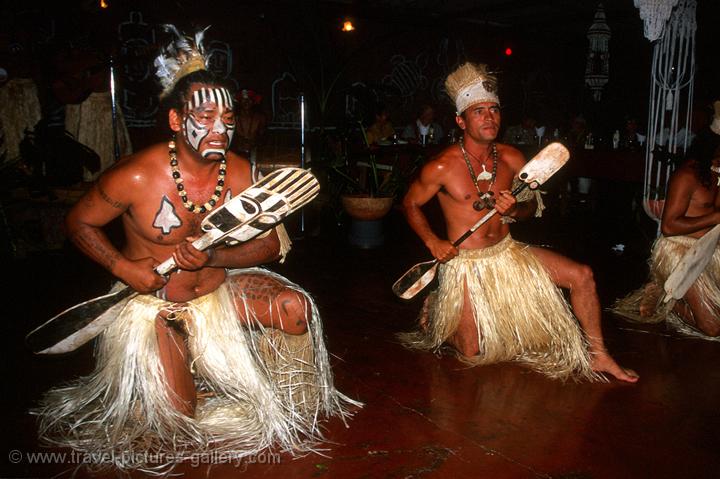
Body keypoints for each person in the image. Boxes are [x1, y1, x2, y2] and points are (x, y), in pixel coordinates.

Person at [34, 25, 356, 473]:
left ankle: (256, 387)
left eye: (227, 117)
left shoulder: (240, 172)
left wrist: (215, 257)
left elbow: (268, 245)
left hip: (219, 291)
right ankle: (188, 380)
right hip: (158, 304)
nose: (220, 128)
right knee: (179, 418)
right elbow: (78, 222)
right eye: (204, 118)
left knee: (294, 307)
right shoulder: (137, 176)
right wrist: (125, 268)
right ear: (175, 121)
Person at [399, 62, 638, 383]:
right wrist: (433, 242)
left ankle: (599, 355)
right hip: (466, 262)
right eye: (479, 111)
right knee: (471, 351)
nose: (489, 117)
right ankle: (438, 308)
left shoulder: (512, 158)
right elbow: (410, 203)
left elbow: (529, 210)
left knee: (582, 275)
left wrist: (514, 209)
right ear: (460, 120)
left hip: (508, 251)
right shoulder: (441, 167)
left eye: (494, 110)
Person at [613, 102, 720, 338]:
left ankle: (669, 291)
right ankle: (668, 299)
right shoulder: (687, 175)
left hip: (710, 248)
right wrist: (716, 216)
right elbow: (670, 226)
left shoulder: (717, 173)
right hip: (681, 251)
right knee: (713, 327)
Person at [232, 88, 267, 158]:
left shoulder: (260, 118)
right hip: (237, 152)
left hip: (256, 153)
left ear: (254, 102)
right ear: (239, 102)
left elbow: (263, 137)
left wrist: (253, 144)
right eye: (244, 100)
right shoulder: (233, 118)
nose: (246, 102)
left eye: (249, 100)